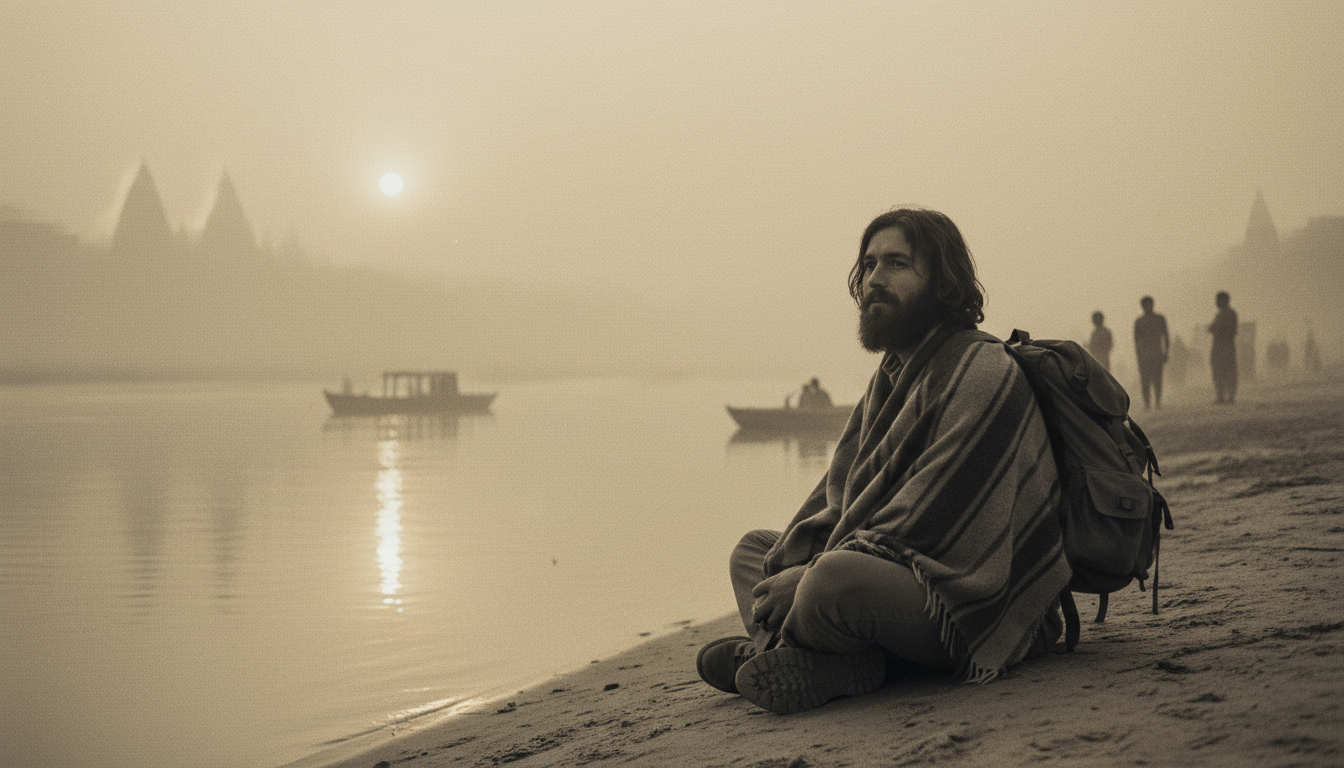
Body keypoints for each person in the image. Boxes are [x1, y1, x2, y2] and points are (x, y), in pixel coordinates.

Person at [696, 208, 1069, 714]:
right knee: (755, 551)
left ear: (942, 280)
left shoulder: (981, 369)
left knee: (830, 580)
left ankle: (798, 653)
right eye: (869, 265)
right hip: (888, 575)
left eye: (896, 264)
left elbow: (932, 515)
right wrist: (798, 560)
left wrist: (808, 577)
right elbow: (841, 500)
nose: (874, 279)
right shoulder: (891, 377)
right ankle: (834, 660)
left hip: (970, 601)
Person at [1133, 296, 1170, 410]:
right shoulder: (1139, 322)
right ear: (1142, 306)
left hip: (1157, 353)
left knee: (1157, 379)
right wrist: (1138, 356)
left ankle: (1158, 402)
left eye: (1149, 304)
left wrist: (1166, 352)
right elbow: (1136, 340)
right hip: (1144, 355)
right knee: (1145, 380)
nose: (1148, 307)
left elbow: (1166, 336)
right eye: (1146, 305)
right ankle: (1147, 403)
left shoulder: (1160, 319)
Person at [1209, 291, 1238, 404]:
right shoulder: (1219, 314)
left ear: (1224, 300)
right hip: (1218, 348)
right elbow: (1213, 328)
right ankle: (1220, 396)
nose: (1216, 302)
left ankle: (1230, 397)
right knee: (1218, 372)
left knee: (1228, 372)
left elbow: (1231, 330)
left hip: (1226, 347)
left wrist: (1217, 329)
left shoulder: (1230, 313)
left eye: (1218, 300)